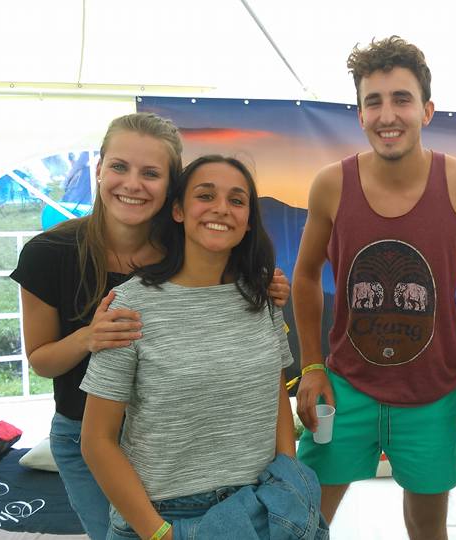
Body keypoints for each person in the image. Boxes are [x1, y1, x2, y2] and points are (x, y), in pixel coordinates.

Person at [9, 113, 289, 539]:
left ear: (171, 189)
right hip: (88, 429)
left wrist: (265, 283)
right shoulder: (49, 254)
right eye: (120, 167)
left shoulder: (188, 248)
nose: (133, 184)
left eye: (151, 173)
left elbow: (237, 301)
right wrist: (89, 337)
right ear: (99, 169)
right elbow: (42, 360)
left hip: (173, 440)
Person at [292, 36, 456, 539]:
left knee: (427, 525)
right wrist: (312, 366)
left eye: (402, 99)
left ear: (427, 110)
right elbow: (305, 274)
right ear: (360, 115)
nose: (388, 115)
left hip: (434, 390)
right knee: (302, 516)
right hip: (345, 386)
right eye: (374, 101)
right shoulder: (331, 185)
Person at [80, 155, 318, 540]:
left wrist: (287, 477)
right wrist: (159, 532)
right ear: (178, 210)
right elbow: (97, 440)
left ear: (248, 220)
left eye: (237, 200)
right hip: (164, 514)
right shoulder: (131, 305)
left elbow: (273, 394)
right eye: (205, 195)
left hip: (259, 506)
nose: (221, 208)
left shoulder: (262, 297)